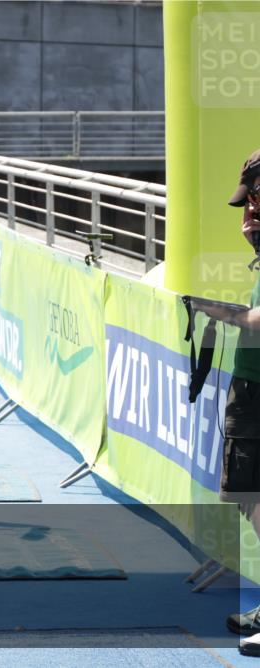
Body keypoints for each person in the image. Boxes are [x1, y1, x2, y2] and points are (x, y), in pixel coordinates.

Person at [207, 149, 260, 656]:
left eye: (256, 201)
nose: (248, 216)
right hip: (252, 388)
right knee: (250, 500)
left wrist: (216, 311)